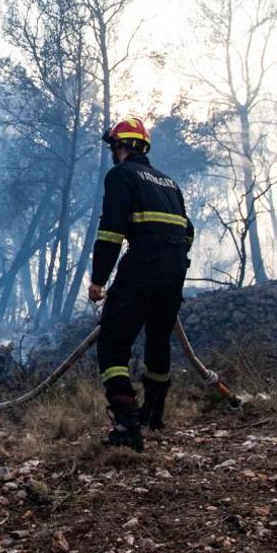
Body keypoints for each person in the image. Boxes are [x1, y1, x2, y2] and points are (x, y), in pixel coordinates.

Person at [86, 117, 194, 450]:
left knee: (113, 345)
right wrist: (169, 268)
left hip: (142, 266)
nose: (113, 153)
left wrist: (98, 280)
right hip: (174, 268)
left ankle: (128, 426)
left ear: (122, 147)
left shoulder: (121, 176)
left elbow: (110, 232)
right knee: (158, 340)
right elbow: (187, 231)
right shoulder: (168, 182)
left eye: (114, 147)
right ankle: (152, 414)